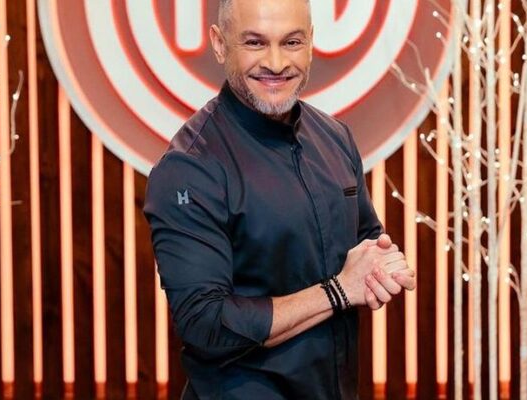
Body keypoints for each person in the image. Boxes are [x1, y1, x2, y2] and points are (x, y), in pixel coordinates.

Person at [143, 0, 416, 398]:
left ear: (311, 44)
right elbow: (206, 324)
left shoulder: (336, 138)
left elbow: (365, 243)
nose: (276, 63)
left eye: (291, 42)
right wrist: (338, 291)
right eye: (255, 43)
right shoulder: (189, 167)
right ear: (219, 44)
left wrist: (382, 266)